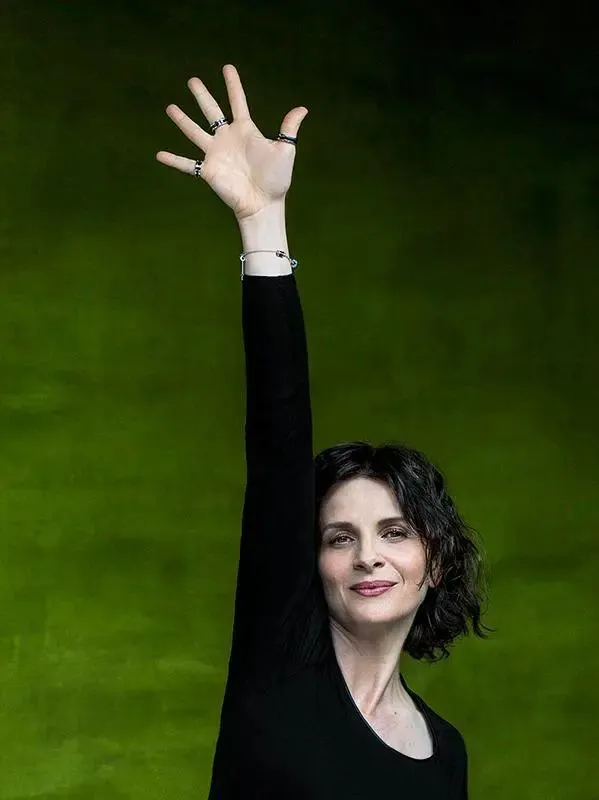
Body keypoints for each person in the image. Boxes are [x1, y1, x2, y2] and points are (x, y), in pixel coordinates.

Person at [156, 63, 493, 799]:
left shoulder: (446, 756)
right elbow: (279, 436)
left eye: (394, 532)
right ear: (313, 562)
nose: (368, 556)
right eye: (339, 537)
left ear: (436, 561)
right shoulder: (281, 659)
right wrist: (261, 223)